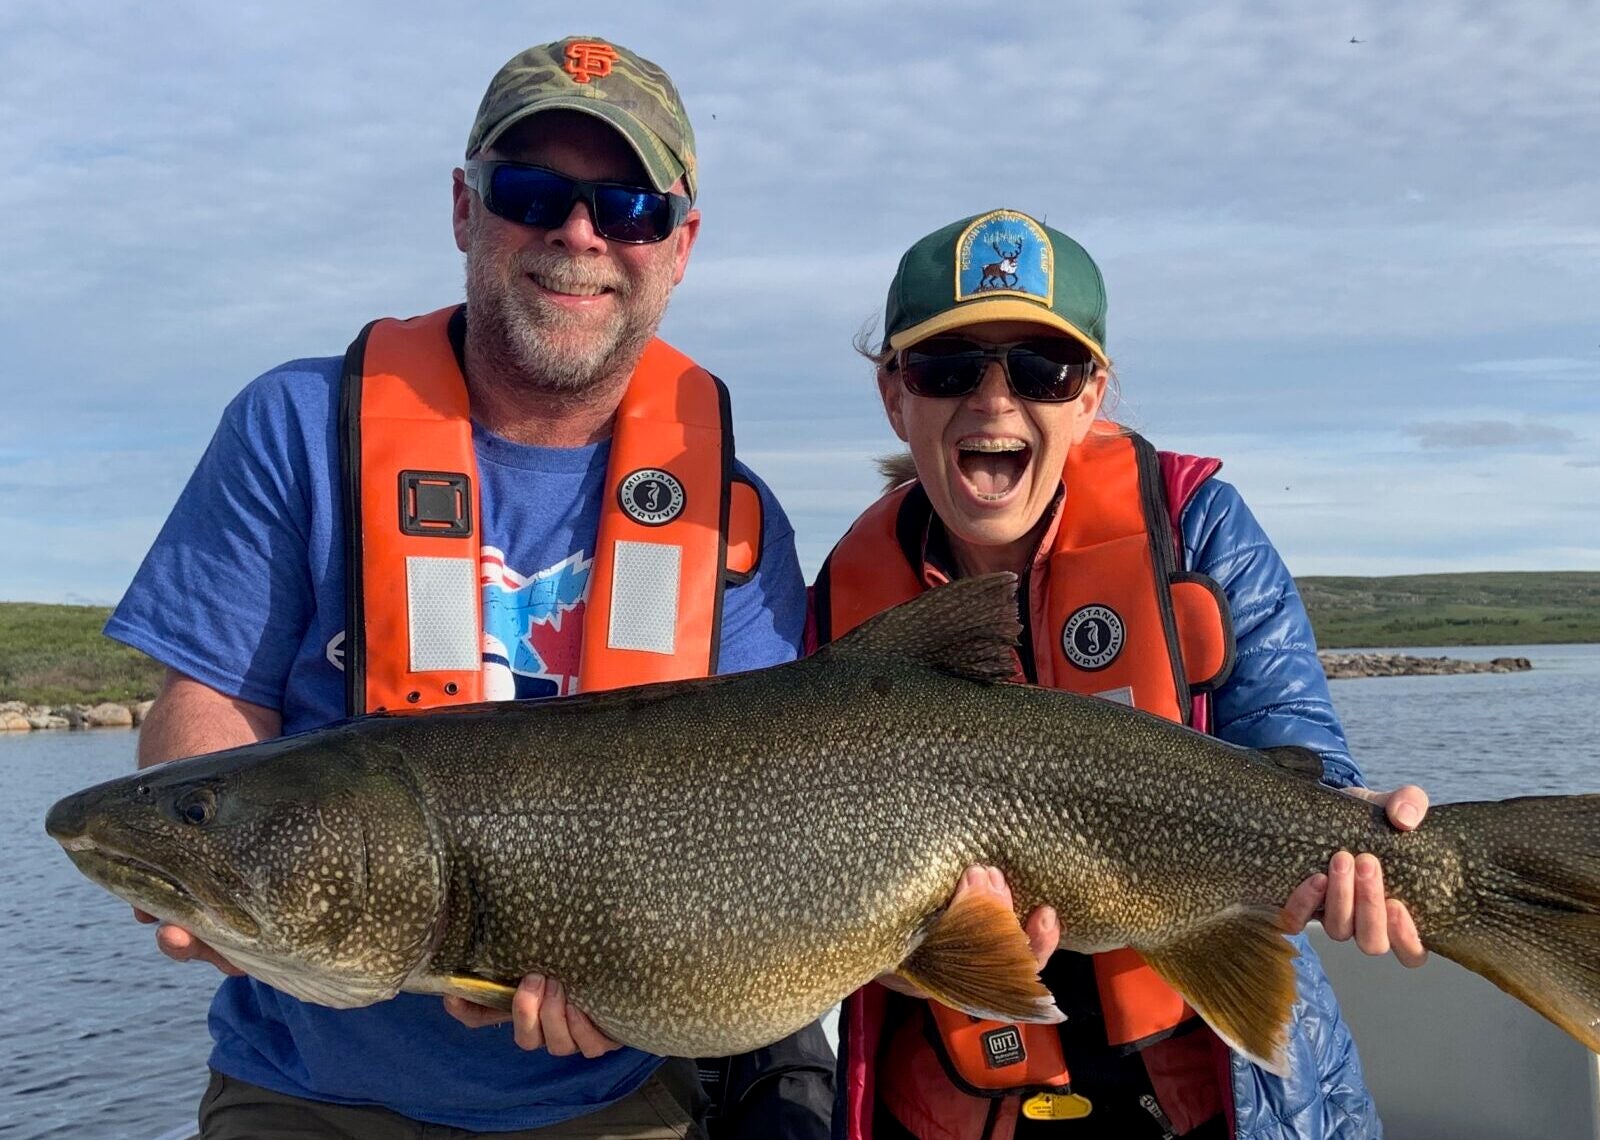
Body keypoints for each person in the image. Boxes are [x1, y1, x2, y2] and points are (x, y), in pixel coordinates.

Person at [105, 36, 832, 1139]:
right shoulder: (296, 430)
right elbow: (207, 701)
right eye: (531, 192)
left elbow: (771, 833)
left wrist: (648, 981)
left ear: (678, 248)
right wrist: (217, 851)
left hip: (607, 1093)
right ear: (463, 209)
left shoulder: (731, 519)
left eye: (629, 207)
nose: (577, 236)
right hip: (303, 1088)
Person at [811, 209, 1430, 1139]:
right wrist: (906, 948)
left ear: (1091, 394)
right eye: (948, 369)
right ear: (895, 395)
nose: (993, 401)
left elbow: (1298, 754)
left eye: (1040, 369)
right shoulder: (845, 602)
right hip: (956, 1101)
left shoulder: (1197, 531)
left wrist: (1356, 829)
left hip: (1214, 1095)